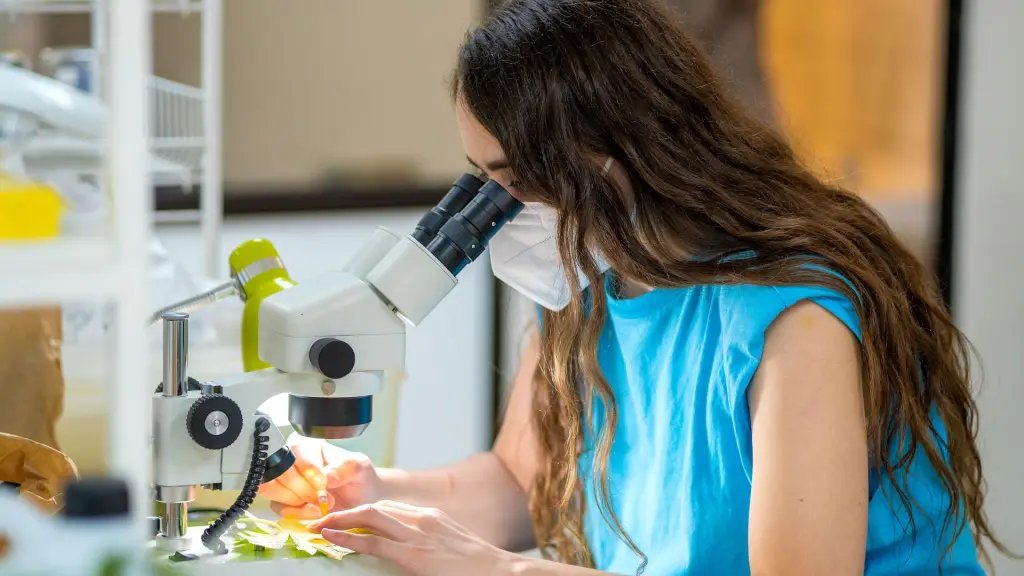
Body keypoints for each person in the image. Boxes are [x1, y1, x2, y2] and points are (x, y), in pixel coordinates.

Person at [259, 1, 1005, 574]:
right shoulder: (585, 291)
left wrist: (496, 568)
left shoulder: (795, 319)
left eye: (512, 183)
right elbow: (518, 487)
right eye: (479, 179)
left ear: (616, 160)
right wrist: (371, 490)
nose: (494, 213)